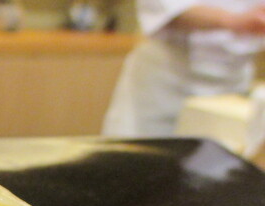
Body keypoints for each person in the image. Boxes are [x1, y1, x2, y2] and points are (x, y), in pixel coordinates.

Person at [102, 1, 265, 137]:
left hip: (233, 85)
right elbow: (168, 8)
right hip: (167, 79)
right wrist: (234, 21)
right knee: (142, 158)